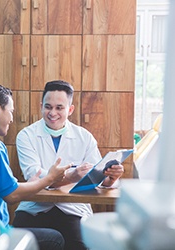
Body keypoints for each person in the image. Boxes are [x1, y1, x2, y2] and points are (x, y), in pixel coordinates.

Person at [0, 83, 72, 250]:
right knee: (55, 239)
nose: (11, 118)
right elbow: (12, 196)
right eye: (10, 112)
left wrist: (32, 184)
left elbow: (0, 186)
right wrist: (49, 178)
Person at [12, 80, 124, 250]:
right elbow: (33, 177)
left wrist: (110, 177)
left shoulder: (84, 137)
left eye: (59, 108)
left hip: (72, 210)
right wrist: (71, 177)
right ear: (41, 106)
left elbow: (98, 178)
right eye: (48, 107)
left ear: (70, 110)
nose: (52, 113)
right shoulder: (26, 136)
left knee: (79, 245)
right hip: (34, 208)